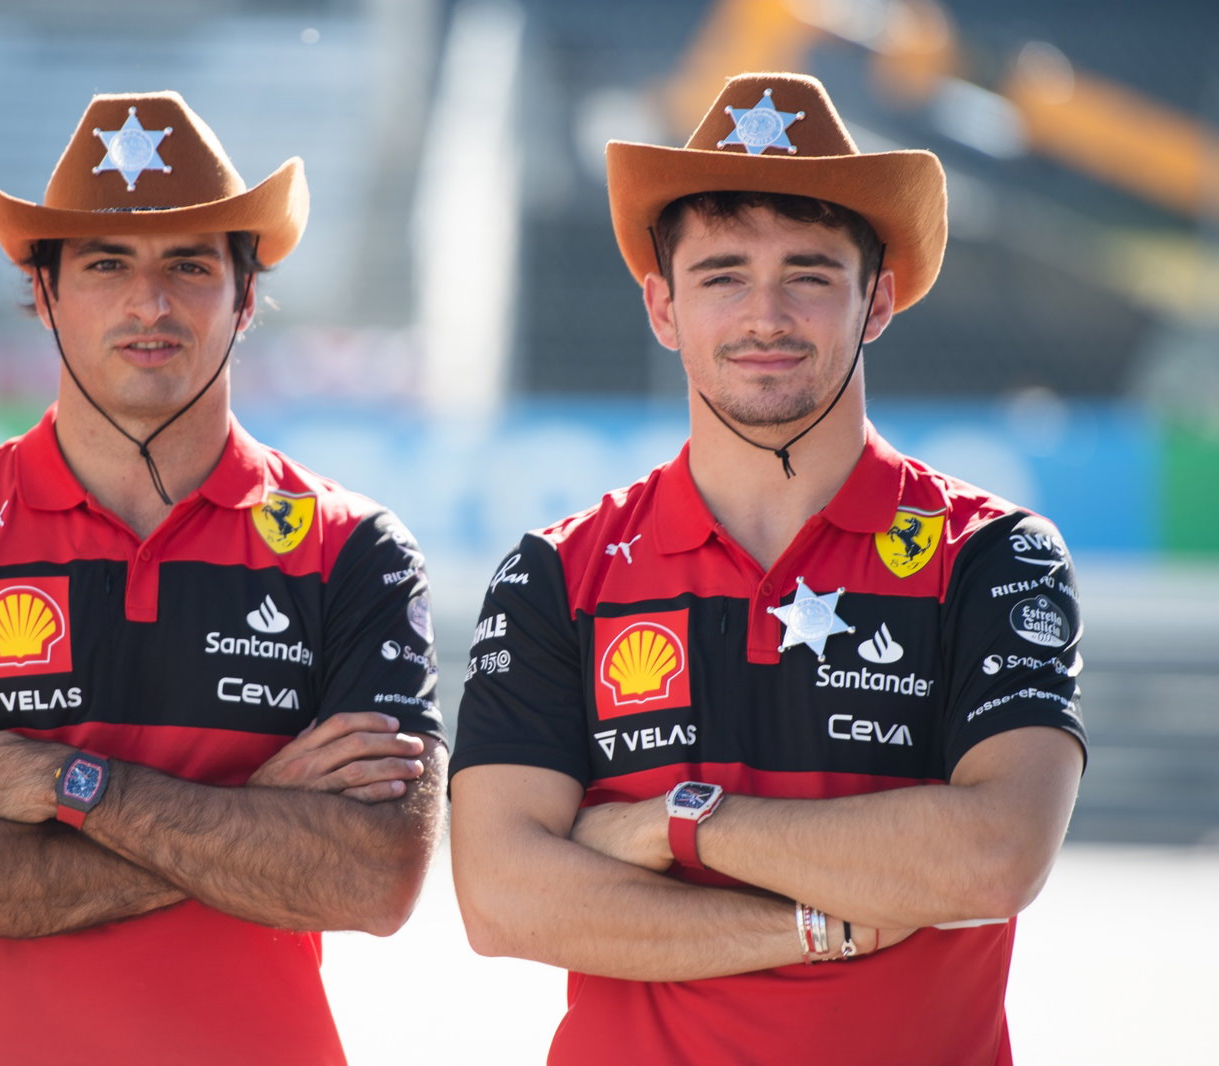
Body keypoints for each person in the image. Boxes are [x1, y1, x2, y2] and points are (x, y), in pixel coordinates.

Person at [449, 71, 1086, 1065]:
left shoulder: (993, 554)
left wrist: (675, 821)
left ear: (876, 300)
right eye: (721, 275)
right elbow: (501, 898)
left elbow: (994, 855)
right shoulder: (555, 574)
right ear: (661, 306)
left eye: (808, 273)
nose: (765, 315)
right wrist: (809, 924)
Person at [0, 91, 447, 1066]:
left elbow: (373, 879)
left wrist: (73, 782)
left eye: (189, 265)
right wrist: (251, 816)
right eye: (107, 263)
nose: (150, 304)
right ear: (44, 292)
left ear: (244, 296)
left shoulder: (352, 548)